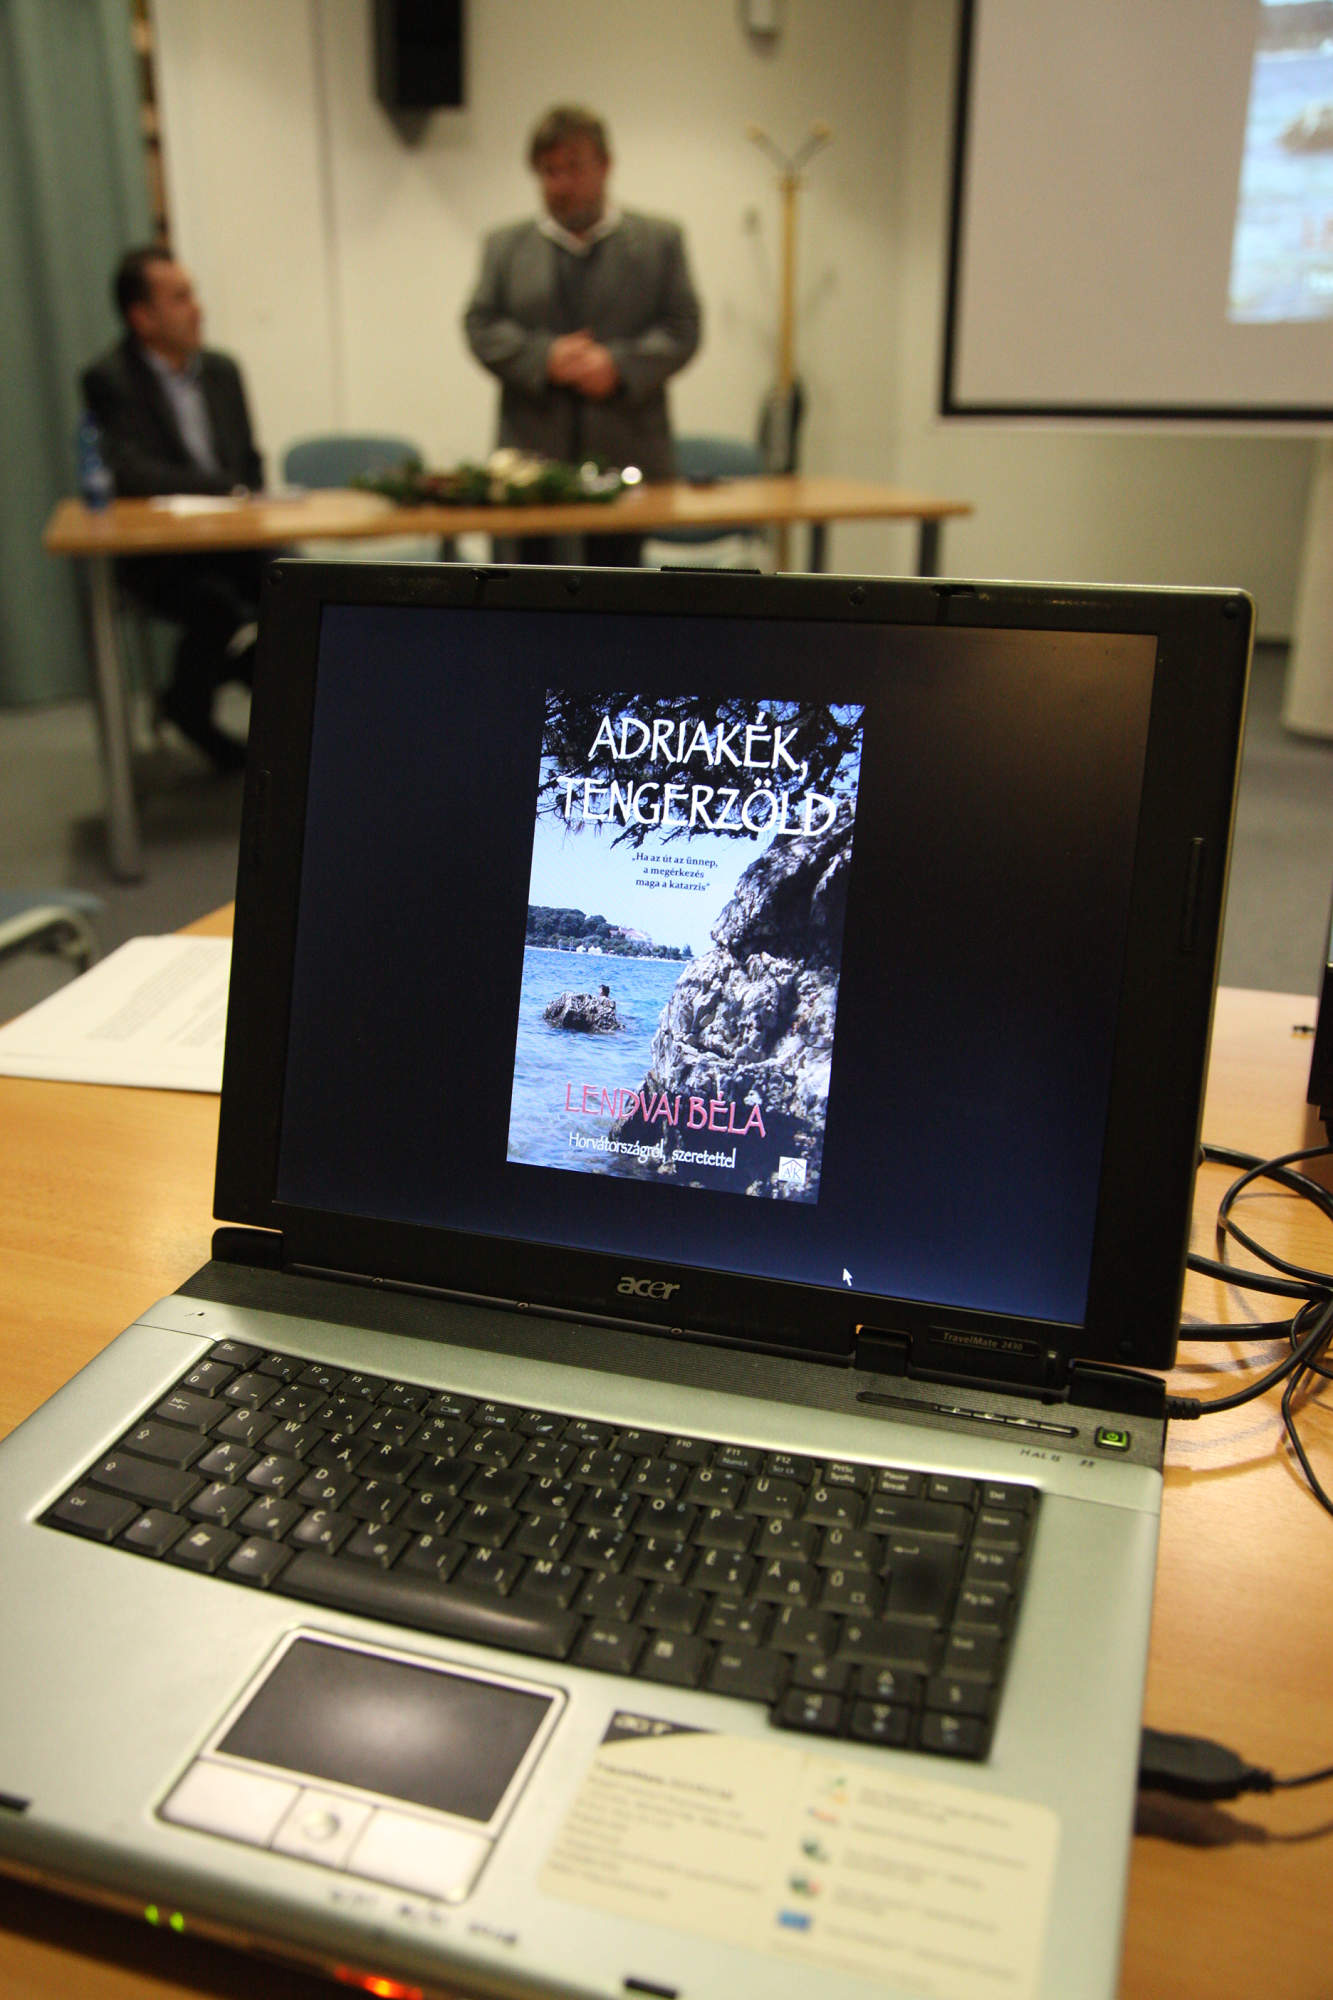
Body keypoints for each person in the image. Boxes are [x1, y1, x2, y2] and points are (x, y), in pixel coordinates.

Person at [464, 105, 701, 566]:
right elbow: (481, 324)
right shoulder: (505, 247)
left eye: (573, 168)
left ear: (605, 165)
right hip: (530, 464)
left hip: (629, 455)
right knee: (525, 595)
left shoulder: (659, 242)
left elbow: (682, 327)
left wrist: (618, 366)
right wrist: (544, 358)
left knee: (623, 596)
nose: (561, 184)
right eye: (549, 171)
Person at [81, 247, 267, 771]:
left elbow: (249, 463)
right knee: (215, 606)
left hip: (235, 541)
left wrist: (240, 491)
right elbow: (132, 474)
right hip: (163, 554)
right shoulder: (110, 379)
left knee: (296, 584)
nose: (197, 308)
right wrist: (223, 488)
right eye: (181, 298)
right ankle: (196, 712)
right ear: (142, 317)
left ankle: (217, 698)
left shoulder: (223, 371)